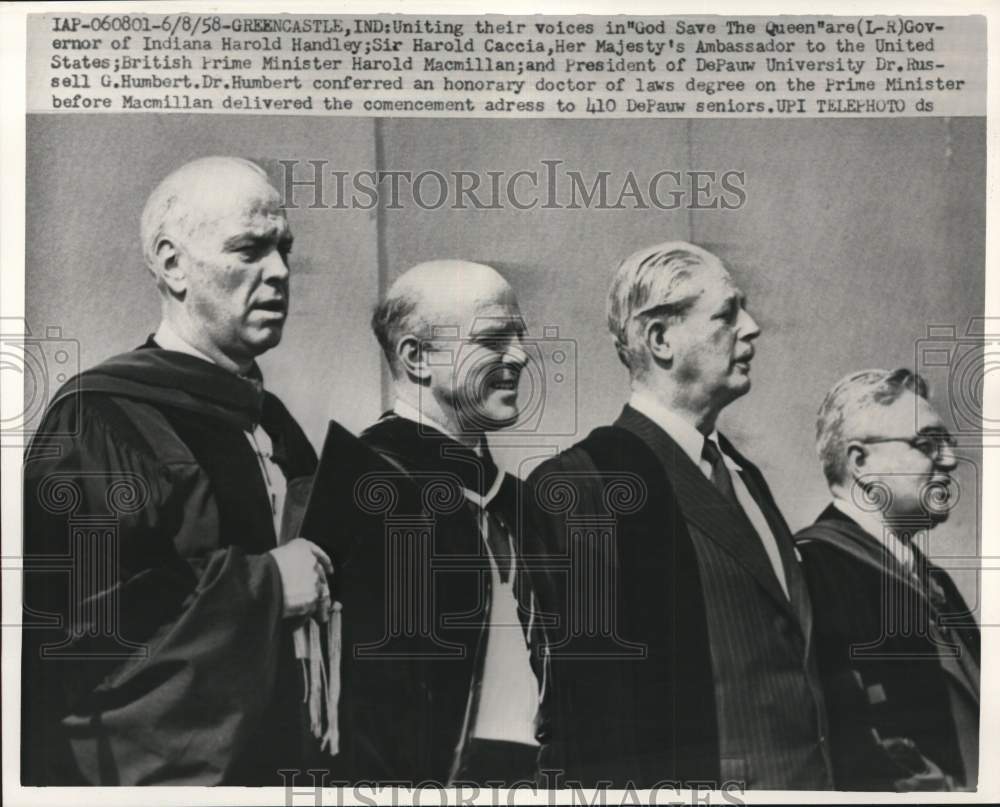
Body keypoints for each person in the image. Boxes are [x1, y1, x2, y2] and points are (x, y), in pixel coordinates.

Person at [21, 156, 331, 785]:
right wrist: (267, 588)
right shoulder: (100, 421)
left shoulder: (275, 425)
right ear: (172, 263)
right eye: (249, 249)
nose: (279, 272)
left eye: (284, 250)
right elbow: (81, 638)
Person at [528, 241, 832, 788]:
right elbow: (597, 725)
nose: (754, 327)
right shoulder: (583, 483)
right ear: (661, 339)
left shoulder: (743, 476)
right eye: (727, 314)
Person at [341, 259, 544, 784]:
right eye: (493, 340)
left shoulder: (522, 505)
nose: (519, 356)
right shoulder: (360, 492)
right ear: (417, 357)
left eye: (518, 337)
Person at [795, 368, 980, 790]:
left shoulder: (934, 582)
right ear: (861, 463)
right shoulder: (809, 570)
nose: (950, 460)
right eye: (927, 444)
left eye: (946, 444)